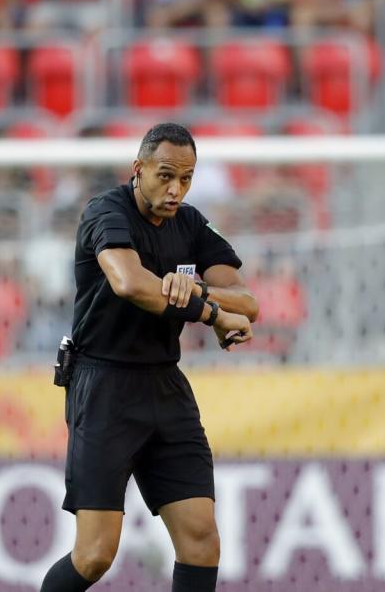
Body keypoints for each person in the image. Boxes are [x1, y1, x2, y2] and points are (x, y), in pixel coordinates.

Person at [40, 123, 259, 592]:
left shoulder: (192, 224)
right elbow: (130, 284)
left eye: (186, 178)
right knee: (95, 556)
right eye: (165, 175)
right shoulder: (106, 212)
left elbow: (249, 302)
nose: (175, 189)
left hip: (165, 385)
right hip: (104, 388)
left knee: (201, 539)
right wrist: (210, 313)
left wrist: (198, 288)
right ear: (137, 170)